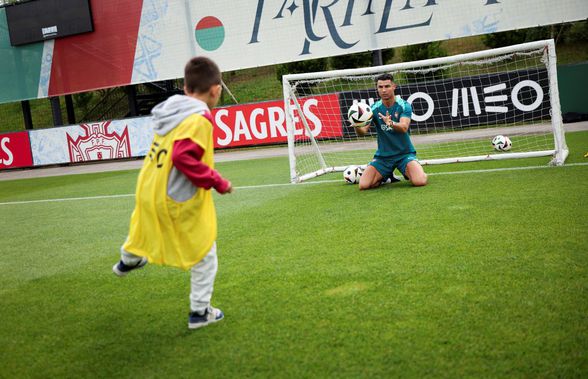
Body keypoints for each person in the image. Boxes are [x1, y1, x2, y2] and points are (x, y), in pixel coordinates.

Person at [112, 56, 232, 330]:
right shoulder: (199, 119)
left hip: (148, 187)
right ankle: (200, 313)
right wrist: (217, 181)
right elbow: (183, 156)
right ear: (215, 90)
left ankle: (127, 260)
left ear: (187, 88)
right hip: (174, 197)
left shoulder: (171, 111)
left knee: (142, 227)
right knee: (205, 252)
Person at [355, 73, 428, 190]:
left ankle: (409, 171)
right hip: (383, 157)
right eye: (380, 87)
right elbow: (363, 132)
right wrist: (357, 125)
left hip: (404, 155)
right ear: (377, 89)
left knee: (419, 181)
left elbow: (404, 127)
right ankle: (386, 176)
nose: (383, 90)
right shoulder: (373, 109)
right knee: (364, 185)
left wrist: (391, 123)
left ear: (394, 86)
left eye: (387, 86)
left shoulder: (404, 105)